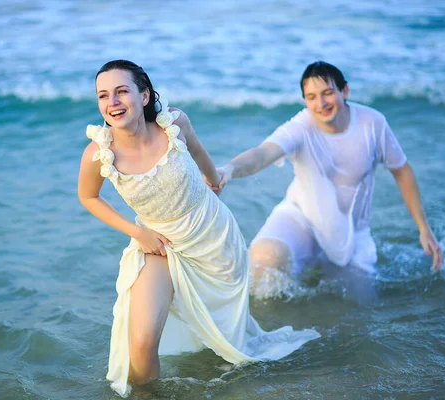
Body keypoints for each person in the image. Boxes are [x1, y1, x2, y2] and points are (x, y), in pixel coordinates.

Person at [77, 60, 319, 396]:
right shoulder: (100, 153)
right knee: (143, 340)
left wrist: (214, 177)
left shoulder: (173, 124)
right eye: (104, 95)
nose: (112, 102)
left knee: (226, 334)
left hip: (212, 238)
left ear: (144, 95)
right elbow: (88, 197)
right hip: (158, 244)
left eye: (122, 91)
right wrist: (137, 233)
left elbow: (198, 149)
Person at [213, 61, 444, 298]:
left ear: (345, 91)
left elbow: (401, 170)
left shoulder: (372, 123)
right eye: (311, 97)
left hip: (352, 232)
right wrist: (229, 169)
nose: (321, 104)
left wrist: (423, 227)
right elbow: (262, 154)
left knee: (358, 309)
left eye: (328, 93)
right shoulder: (300, 126)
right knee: (263, 259)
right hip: (301, 218)